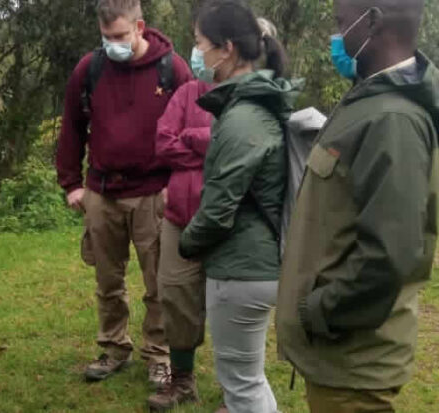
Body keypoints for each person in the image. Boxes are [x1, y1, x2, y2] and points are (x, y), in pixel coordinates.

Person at [276, 0, 439, 412]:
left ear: (372, 22)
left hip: (353, 361)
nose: (335, 35)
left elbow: (390, 254)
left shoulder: (392, 121)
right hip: (340, 355)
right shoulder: (367, 102)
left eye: (340, 22)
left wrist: (319, 311)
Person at [56, 0, 192, 386]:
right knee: (107, 281)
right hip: (102, 190)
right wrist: (71, 184)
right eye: (106, 37)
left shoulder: (172, 69)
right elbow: (72, 128)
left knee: (159, 283)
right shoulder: (90, 68)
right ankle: (114, 348)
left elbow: (192, 128)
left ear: (140, 27)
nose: (112, 44)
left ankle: (159, 355)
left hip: (154, 192)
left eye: (119, 36)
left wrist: (176, 184)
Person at [178, 1, 301, 412]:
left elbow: (218, 209)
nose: (197, 54)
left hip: (241, 268)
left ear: (226, 48)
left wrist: (187, 242)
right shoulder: (259, 105)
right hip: (260, 261)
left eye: (199, 43)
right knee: (249, 380)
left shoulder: (242, 117)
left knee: (242, 387)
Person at [146, 76, 213, 409]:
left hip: (230, 218)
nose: (200, 51)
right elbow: (163, 142)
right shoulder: (188, 92)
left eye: (203, 42)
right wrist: (207, 152)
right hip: (180, 214)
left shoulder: (250, 94)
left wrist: (192, 137)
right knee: (174, 291)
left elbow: (240, 147)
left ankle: (242, 389)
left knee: (231, 301)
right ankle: (183, 379)